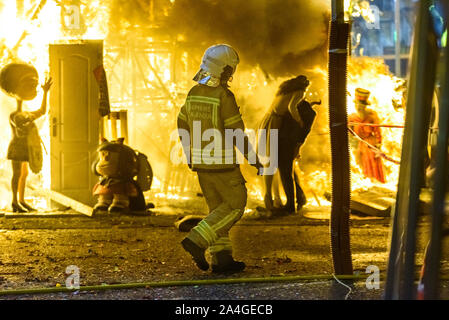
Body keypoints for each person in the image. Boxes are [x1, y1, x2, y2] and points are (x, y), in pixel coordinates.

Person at [177, 44, 262, 273]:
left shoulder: (193, 93)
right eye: (230, 71)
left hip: (202, 166)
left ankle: (222, 259)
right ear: (225, 71)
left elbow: (181, 123)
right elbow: (236, 133)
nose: (231, 75)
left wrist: (189, 153)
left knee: (217, 210)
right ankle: (196, 240)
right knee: (235, 206)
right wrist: (253, 159)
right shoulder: (223, 96)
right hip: (223, 165)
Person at [0, 63, 52, 212]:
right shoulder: (15, 116)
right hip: (16, 148)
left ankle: (21, 200)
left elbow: (42, 111)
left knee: (24, 173)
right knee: (17, 174)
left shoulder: (24, 114)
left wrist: (45, 92)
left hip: (25, 147)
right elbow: (21, 128)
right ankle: (14, 202)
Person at [258, 75, 310, 210]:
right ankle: (270, 199)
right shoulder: (300, 91)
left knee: (271, 160)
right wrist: (300, 121)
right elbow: (292, 107)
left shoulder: (285, 91)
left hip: (268, 119)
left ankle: (275, 199)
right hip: (275, 122)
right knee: (272, 160)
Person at [276, 99, 319, 214]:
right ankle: (300, 198)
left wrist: (296, 148)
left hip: (287, 142)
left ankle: (291, 205)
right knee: (289, 172)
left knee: (286, 172)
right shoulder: (306, 111)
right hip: (288, 142)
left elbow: (303, 132)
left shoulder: (300, 112)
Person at [348, 88, 386, 183]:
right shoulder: (352, 118)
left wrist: (378, 144)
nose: (358, 107)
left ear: (365, 106)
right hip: (360, 144)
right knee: (360, 162)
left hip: (371, 144)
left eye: (361, 105)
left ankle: (376, 181)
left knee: (372, 160)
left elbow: (377, 130)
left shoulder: (371, 115)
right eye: (357, 104)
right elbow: (350, 133)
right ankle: (366, 181)